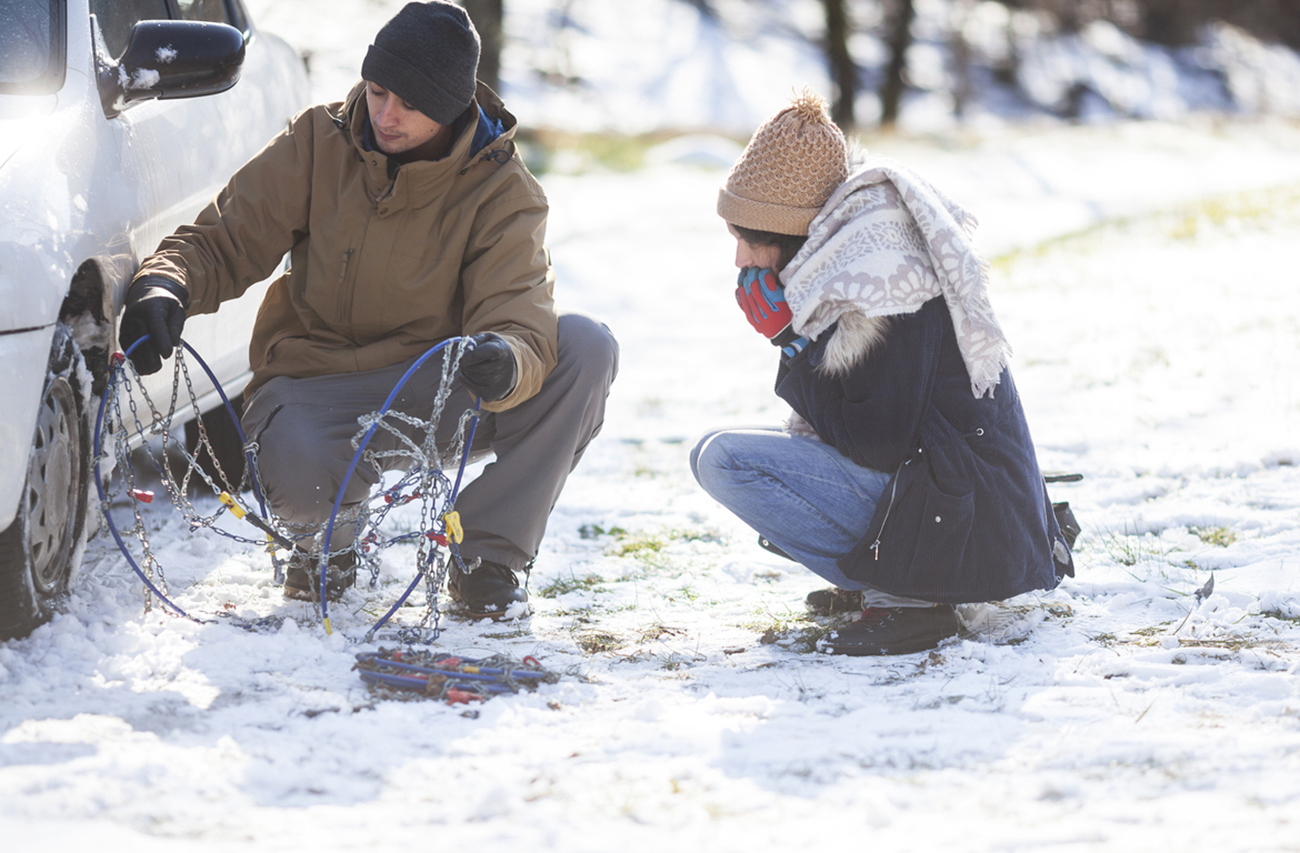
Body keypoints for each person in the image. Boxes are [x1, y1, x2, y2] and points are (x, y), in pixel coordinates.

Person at [118, 1, 618, 618]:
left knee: (585, 348)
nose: (385, 114)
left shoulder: (502, 188)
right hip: (315, 383)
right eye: (378, 91)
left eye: (409, 103)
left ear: (451, 105)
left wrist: (508, 360)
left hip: (437, 384)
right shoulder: (316, 142)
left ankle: (486, 556)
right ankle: (327, 543)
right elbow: (224, 239)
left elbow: (518, 310)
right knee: (302, 474)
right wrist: (165, 285)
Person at [691, 93, 1074, 656]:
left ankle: (911, 600)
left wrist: (791, 342)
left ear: (793, 231)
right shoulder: (856, 259)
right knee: (710, 449)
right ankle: (886, 580)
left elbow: (875, 440)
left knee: (727, 459)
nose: (740, 258)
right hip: (952, 496)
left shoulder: (885, 282)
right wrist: (796, 342)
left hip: (964, 515)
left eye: (751, 239)